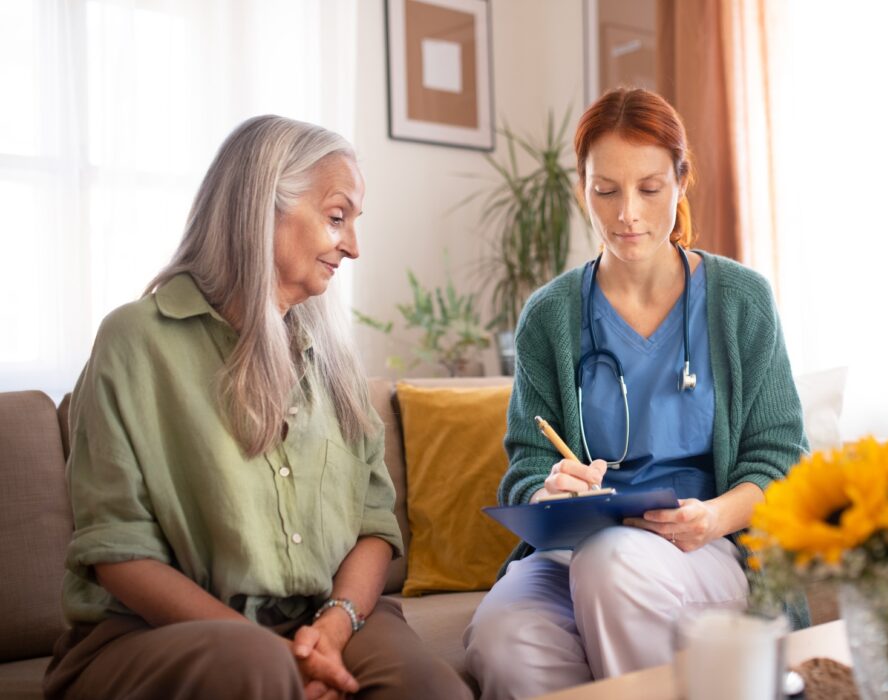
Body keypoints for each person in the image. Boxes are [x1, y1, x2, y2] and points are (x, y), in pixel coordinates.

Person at [43, 115, 472, 700]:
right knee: (260, 673)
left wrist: (334, 625)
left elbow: (375, 527)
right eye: (337, 217)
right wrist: (279, 656)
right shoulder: (134, 342)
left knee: (432, 690)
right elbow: (118, 554)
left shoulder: (335, 362)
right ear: (261, 208)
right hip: (146, 636)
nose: (352, 246)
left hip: (319, 621)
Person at [464, 88, 808, 700]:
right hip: (577, 550)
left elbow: (780, 460)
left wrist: (713, 518)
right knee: (502, 638)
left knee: (613, 563)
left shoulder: (740, 301)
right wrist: (548, 488)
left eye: (649, 189)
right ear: (582, 189)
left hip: (705, 548)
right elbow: (525, 465)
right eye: (606, 190)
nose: (627, 213)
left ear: (681, 182)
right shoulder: (549, 316)